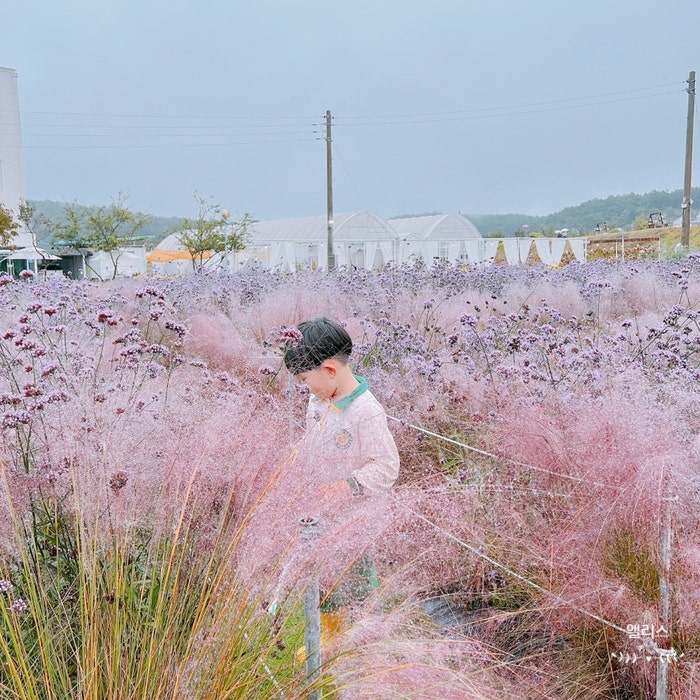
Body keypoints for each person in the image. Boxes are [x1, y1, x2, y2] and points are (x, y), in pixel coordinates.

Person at [283, 317, 400, 620]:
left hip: (353, 519)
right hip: (322, 514)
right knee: (324, 580)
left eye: (304, 379)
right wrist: (297, 455)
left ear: (330, 370)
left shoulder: (366, 411)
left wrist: (348, 486)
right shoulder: (319, 400)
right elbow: (313, 440)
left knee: (356, 585)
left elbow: (386, 466)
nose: (304, 388)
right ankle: (326, 637)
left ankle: (361, 639)